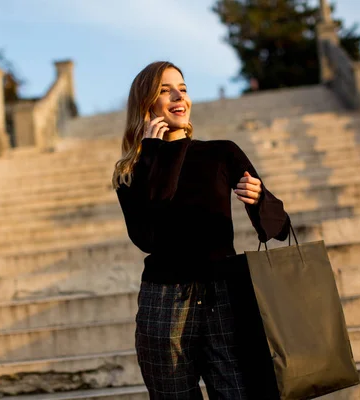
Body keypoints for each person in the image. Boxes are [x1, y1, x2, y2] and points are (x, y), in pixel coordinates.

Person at [112, 61, 290, 399]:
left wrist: (260, 198)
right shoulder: (131, 172)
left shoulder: (221, 152)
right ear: (147, 103)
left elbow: (278, 228)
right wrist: (154, 153)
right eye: (165, 90)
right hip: (163, 303)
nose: (179, 96)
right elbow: (147, 237)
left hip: (224, 296)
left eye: (183, 88)